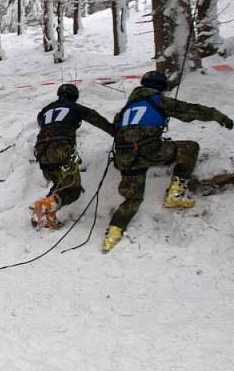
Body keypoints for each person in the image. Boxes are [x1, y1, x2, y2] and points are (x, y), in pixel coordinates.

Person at [102, 71, 233, 252]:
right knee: (190, 148)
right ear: (161, 88)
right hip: (150, 150)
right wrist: (219, 117)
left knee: (133, 198)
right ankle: (175, 194)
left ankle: (113, 234)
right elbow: (190, 110)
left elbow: (117, 129)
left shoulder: (126, 108)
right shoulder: (157, 100)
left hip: (125, 157)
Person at [31, 84, 116, 229]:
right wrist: (115, 132)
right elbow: (95, 118)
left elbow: (41, 122)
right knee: (73, 190)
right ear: (74, 96)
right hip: (61, 149)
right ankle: (43, 206)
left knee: (60, 183)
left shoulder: (45, 110)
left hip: (41, 151)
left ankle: (44, 215)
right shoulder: (75, 107)